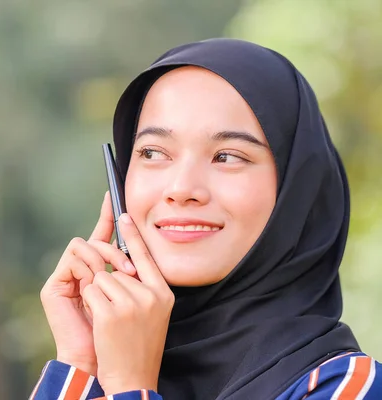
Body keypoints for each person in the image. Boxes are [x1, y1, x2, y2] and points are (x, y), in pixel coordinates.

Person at [28, 38, 382, 399]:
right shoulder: (96, 372)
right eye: (152, 152)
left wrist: (131, 387)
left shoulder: (347, 386)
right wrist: (82, 363)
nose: (182, 189)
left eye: (227, 156)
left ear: (297, 191)